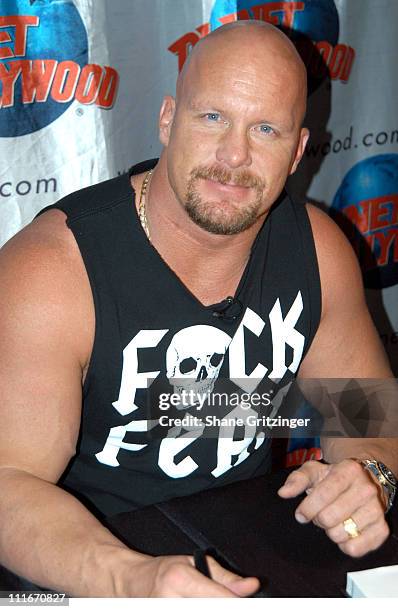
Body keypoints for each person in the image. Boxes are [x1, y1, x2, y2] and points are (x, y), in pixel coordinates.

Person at [0, 19, 396, 598]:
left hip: (247, 541)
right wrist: (133, 578)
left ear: (298, 152)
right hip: (80, 564)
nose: (233, 155)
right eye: (212, 117)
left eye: (265, 128)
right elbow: (10, 483)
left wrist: (369, 477)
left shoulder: (316, 250)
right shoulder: (53, 270)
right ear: (167, 120)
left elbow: (368, 416)